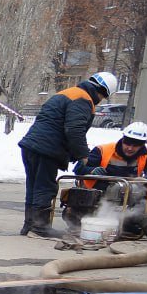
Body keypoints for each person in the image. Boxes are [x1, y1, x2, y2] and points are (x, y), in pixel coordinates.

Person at [18, 71, 117, 238]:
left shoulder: (69, 92)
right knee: (45, 187)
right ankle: (40, 227)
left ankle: (29, 225)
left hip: (31, 145)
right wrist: (84, 157)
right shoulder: (83, 99)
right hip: (46, 149)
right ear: (103, 92)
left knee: (34, 186)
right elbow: (74, 129)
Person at [70, 121, 147, 238]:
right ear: (123, 139)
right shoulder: (103, 150)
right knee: (77, 218)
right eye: (127, 143)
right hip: (99, 194)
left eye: (135, 145)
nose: (130, 148)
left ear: (142, 145)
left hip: (129, 196)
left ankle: (132, 220)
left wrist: (145, 179)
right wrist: (92, 170)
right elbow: (79, 169)